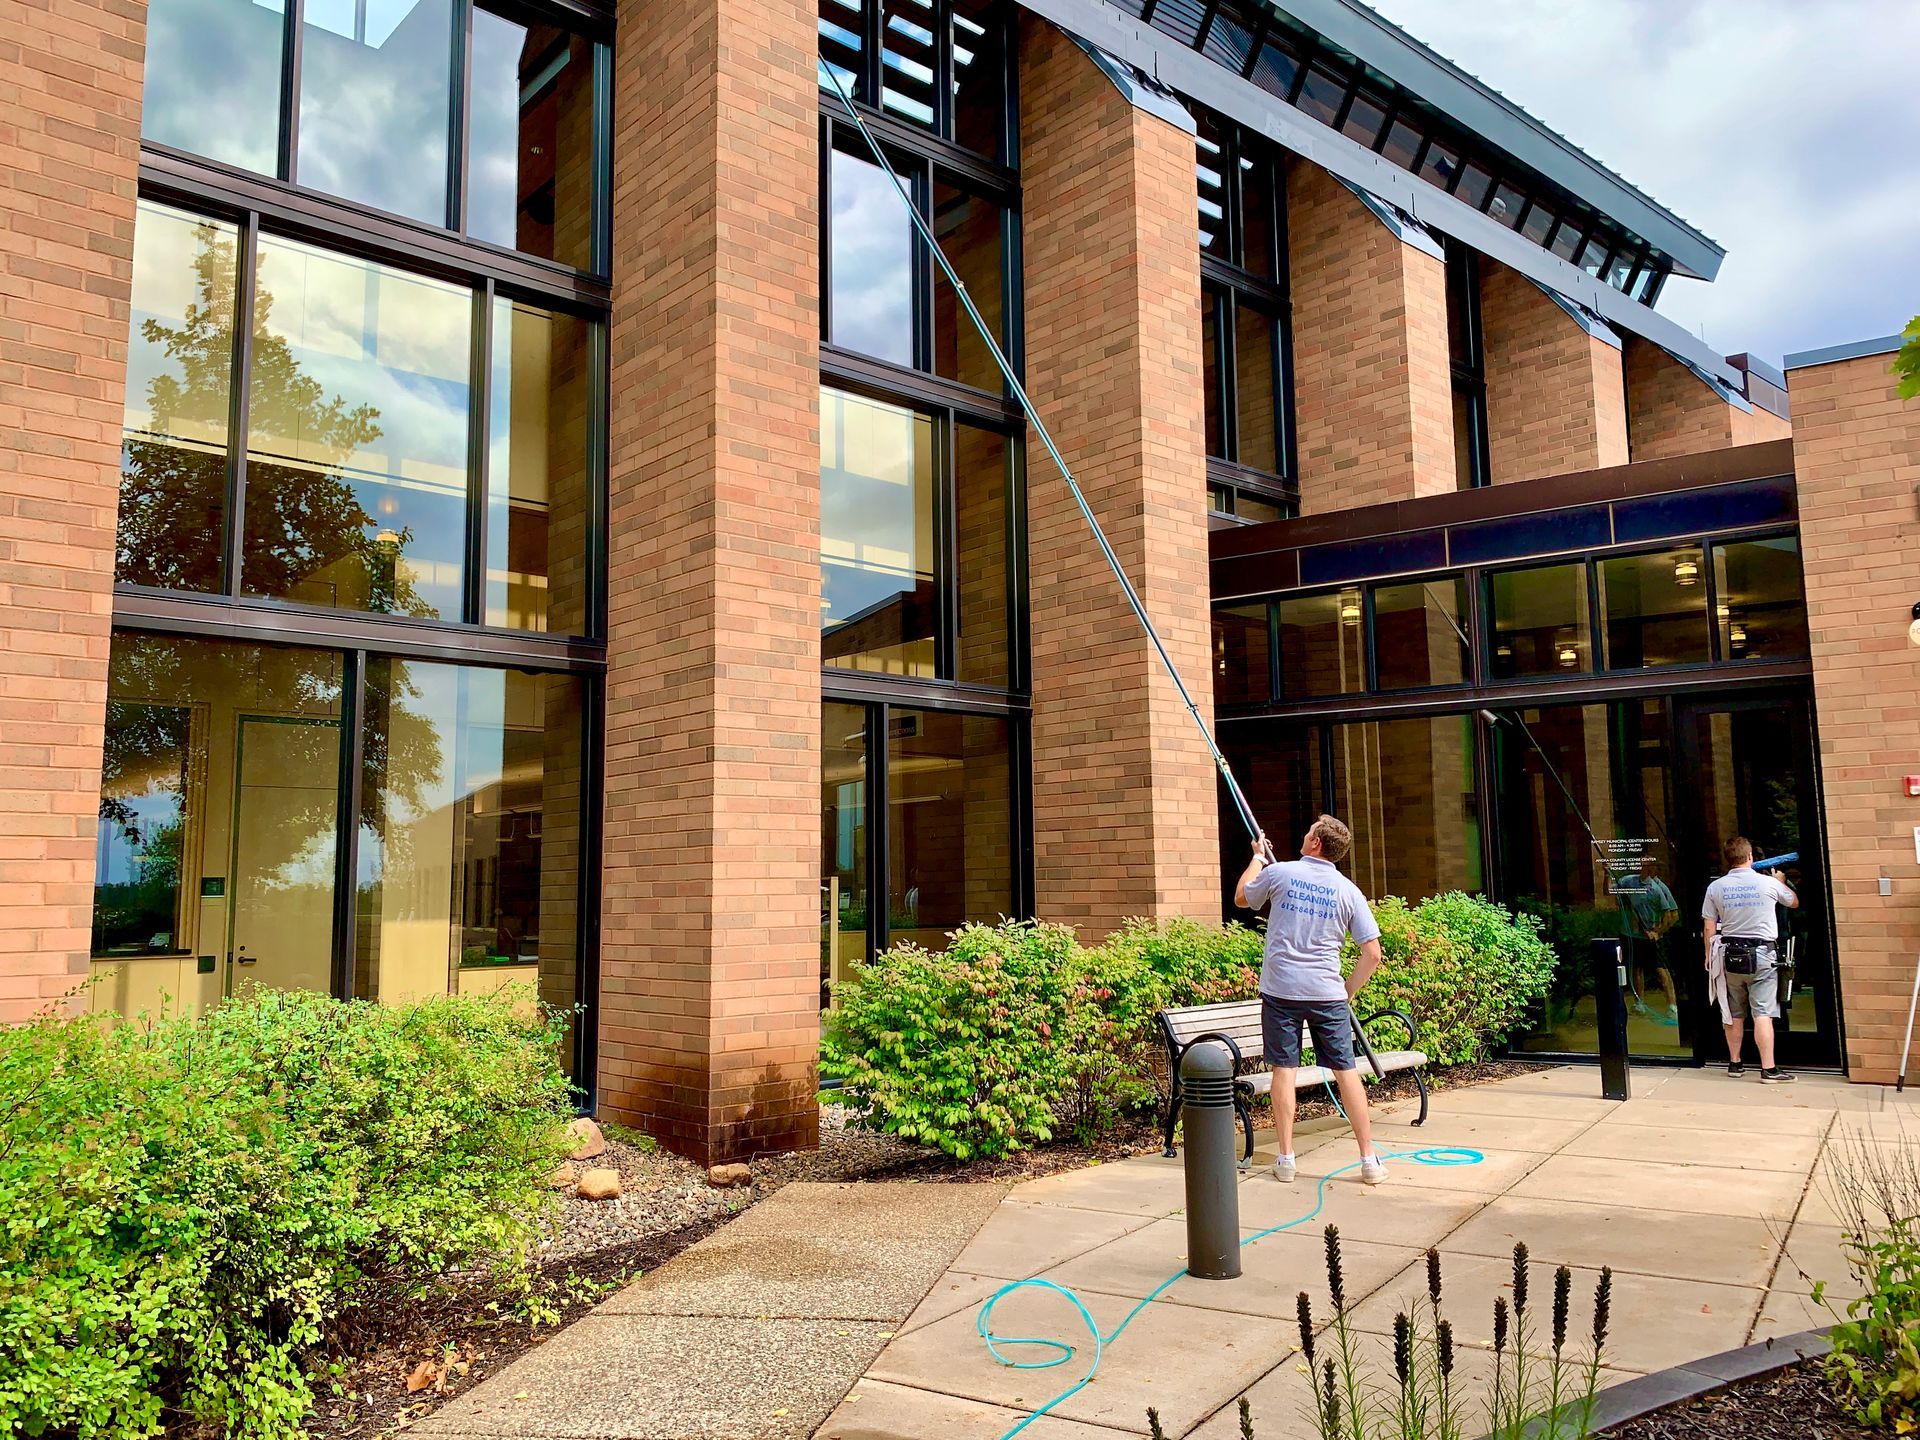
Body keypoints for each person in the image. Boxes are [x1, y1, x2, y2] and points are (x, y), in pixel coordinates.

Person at [1234, 814, 1388, 1185]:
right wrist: (1347, 991)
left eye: (1308, 832)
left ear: (1316, 843)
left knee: (1284, 1070)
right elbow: (1373, 953)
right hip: (1327, 994)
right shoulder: (1349, 891)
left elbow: (1242, 898)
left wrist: (1257, 856)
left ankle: (1286, 1159)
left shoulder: (1280, 872)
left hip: (1281, 991)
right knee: (1346, 1071)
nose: (1303, 835)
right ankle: (1369, 1160)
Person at [1701, 835, 1798, 1083]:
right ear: (1750, 857)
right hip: (1763, 955)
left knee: (1733, 1013)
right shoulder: (1767, 883)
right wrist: (1781, 881)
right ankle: (1769, 1069)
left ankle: (1735, 1063)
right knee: (1763, 1013)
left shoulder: (1716, 887)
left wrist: (1707, 956)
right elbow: (1794, 902)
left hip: (1730, 954)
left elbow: (1709, 927)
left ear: (1729, 859)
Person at [1619, 858, 1680, 1023]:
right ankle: (1639, 1003)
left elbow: (1672, 915)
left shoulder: (1658, 888)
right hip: (1636, 935)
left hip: (1653, 937)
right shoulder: (1630, 882)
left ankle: (1672, 1006)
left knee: (1661, 970)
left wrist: (1658, 932)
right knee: (1637, 968)